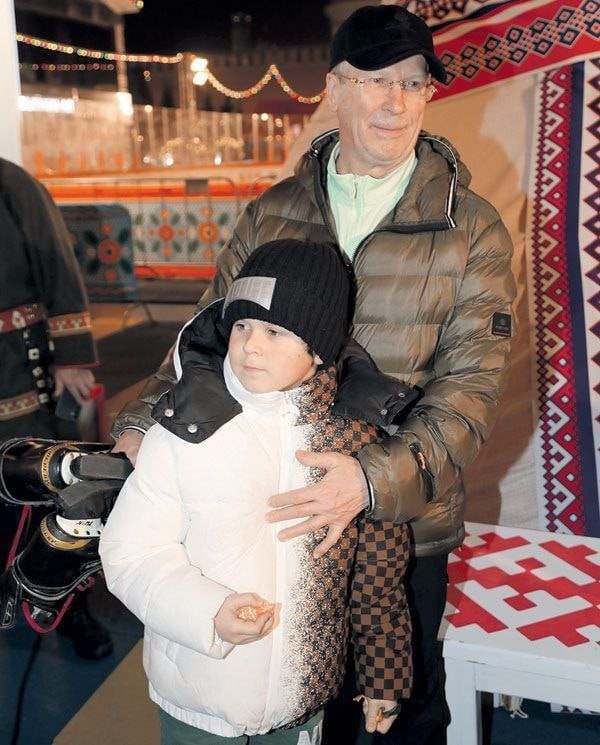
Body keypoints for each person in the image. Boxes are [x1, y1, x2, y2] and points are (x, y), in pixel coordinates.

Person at [112, 5, 516, 743]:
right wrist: (142, 425)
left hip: (400, 524)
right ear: (333, 89)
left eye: (413, 83)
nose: (396, 102)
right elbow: (206, 334)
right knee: (287, 712)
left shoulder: (471, 227)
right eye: (374, 80)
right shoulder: (273, 212)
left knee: (397, 712)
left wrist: (369, 480)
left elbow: (472, 391)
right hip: (271, 519)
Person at [100, 239, 415, 744]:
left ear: (317, 349)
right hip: (198, 693)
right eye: (242, 325)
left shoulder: (352, 444)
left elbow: (378, 569)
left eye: (275, 331)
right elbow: (130, 552)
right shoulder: (185, 428)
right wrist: (208, 612)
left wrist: (384, 675)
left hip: (300, 699)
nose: (251, 345)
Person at [0, 157, 112, 660]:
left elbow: (58, 266)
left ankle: (70, 610)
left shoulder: (11, 183)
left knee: (48, 492)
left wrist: (71, 357)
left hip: (21, 374)